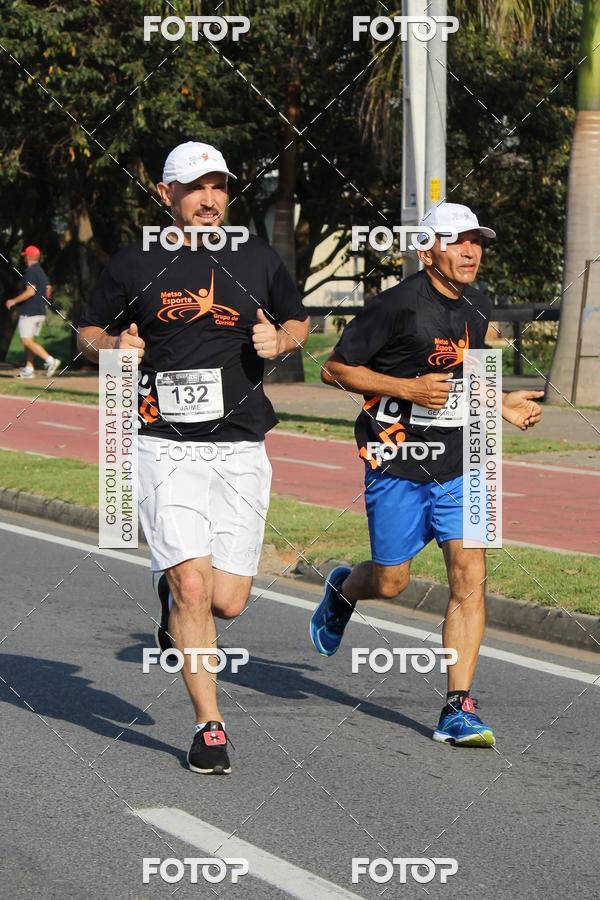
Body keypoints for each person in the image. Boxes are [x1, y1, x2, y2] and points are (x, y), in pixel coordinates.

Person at [78, 141, 309, 774]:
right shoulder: (135, 262)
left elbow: (297, 321)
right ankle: (210, 726)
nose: (209, 199)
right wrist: (112, 347)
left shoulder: (256, 256)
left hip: (240, 445)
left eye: (218, 186)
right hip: (163, 444)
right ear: (166, 194)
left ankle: (170, 594)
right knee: (192, 585)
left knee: (227, 601)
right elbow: (88, 330)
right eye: (194, 187)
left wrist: (281, 340)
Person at [310, 202, 543, 747]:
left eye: (477, 241)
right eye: (458, 241)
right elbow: (332, 369)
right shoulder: (395, 306)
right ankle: (344, 588)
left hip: (463, 460)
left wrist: (501, 404)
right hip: (396, 459)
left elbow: (466, 374)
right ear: (427, 249)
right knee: (391, 582)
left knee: (470, 573)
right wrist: (406, 388)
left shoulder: (477, 304)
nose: (471, 251)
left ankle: (458, 707)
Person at [5, 245, 61, 378]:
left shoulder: (30, 271)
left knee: (26, 341)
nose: (24, 258)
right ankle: (29, 369)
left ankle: (50, 360)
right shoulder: (40, 271)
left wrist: (13, 301)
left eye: (25, 256)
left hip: (29, 311)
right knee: (29, 341)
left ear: (28, 257)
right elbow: (48, 290)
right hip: (40, 311)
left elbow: (30, 291)